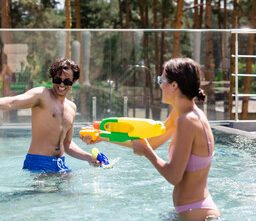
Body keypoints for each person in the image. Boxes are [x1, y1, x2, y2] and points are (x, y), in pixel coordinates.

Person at [81, 58, 220, 220]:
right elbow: (151, 141)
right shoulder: (183, 114)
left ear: (174, 85)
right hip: (192, 211)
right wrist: (103, 136)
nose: (159, 85)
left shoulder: (187, 120)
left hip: (196, 215)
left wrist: (147, 152)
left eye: (161, 80)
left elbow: (174, 176)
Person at [0, 58, 99, 173]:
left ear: (74, 81)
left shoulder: (72, 107)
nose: (61, 84)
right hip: (38, 164)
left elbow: (67, 144)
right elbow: (13, 102)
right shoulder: (42, 95)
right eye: (57, 80)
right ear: (52, 79)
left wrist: (88, 157)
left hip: (61, 165)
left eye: (66, 81)